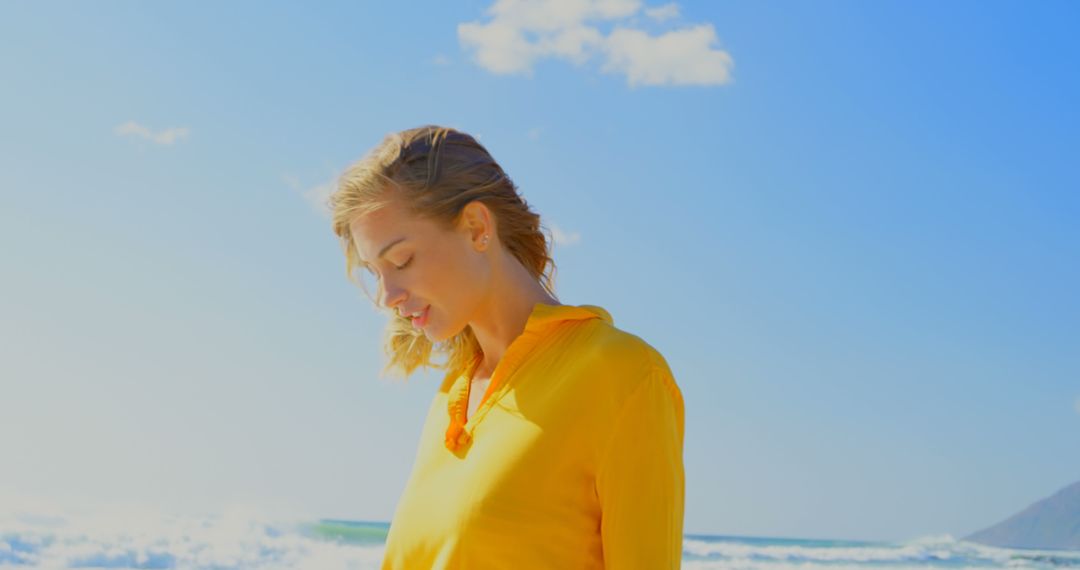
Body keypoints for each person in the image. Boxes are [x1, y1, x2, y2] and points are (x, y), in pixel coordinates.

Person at [329, 125, 685, 569]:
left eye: (402, 260)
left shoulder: (623, 375)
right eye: (375, 272)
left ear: (477, 227)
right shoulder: (450, 398)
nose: (388, 295)